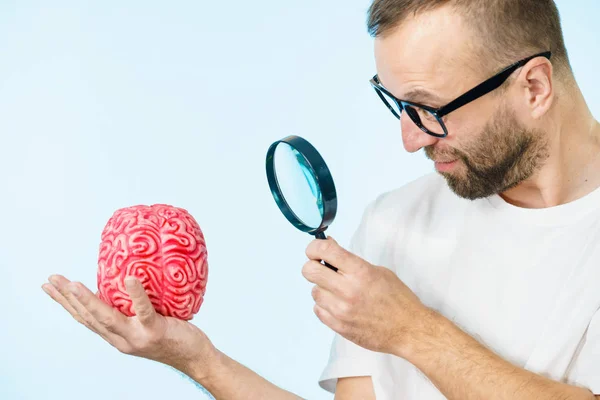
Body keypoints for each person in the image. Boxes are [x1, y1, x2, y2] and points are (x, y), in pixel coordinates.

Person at [42, 0, 600, 398]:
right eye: (395, 104)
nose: (409, 139)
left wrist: (412, 331)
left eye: (430, 110)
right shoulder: (394, 223)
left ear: (533, 86)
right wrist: (195, 359)